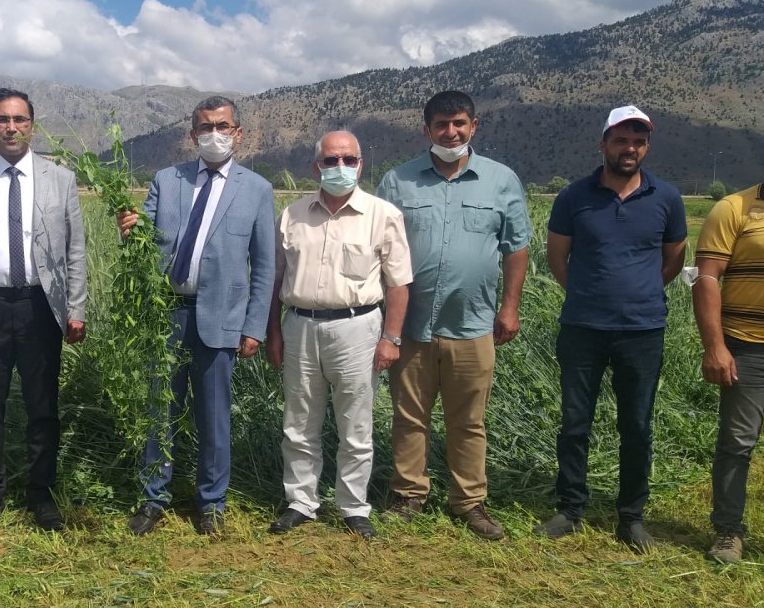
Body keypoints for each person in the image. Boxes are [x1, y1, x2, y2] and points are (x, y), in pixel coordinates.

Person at [117, 96, 275, 536]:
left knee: (214, 416)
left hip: (221, 319)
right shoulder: (168, 181)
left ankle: (211, 502)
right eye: (205, 127)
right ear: (192, 135)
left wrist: (254, 327)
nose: (214, 135)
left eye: (222, 126)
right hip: (167, 316)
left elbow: (264, 266)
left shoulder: (257, 190)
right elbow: (141, 245)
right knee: (160, 412)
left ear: (237, 132)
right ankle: (153, 498)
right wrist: (129, 231)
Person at [376, 90, 530, 540]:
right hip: (411, 326)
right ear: (426, 130)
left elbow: (516, 247)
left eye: (459, 123)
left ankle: (469, 501)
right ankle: (408, 494)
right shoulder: (398, 182)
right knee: (409, 415)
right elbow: (380, 250)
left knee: (469, 419)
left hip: (473, 324)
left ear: (474, 126)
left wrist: (510, 307)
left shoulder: (500, 181)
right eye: (441, 125)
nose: (451, 132)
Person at [538, 106, 686, 551]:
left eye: (638, 141)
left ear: (646, 147)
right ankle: (571, 508)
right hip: (583, 326)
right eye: (621, 140)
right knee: (575, 420)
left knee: (637, 424)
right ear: (603, 144)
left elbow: (673, 259)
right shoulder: (573, 197)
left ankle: (631, 515)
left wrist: (638, 292)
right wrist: (588, 293)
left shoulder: (667, 198)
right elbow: (557, 258)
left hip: (642, 330)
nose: (630, 148)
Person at [0, 88, 87, 536]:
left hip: (40, 305)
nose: (11, 128)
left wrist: (76, 308)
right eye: (2, 120)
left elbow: (75, 250)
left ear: (32, 125)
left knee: (43, 405)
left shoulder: (59, 179)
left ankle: (41, 493)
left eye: (20, 120)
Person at [264, 131, 412, 539]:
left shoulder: (383, 215)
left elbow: (399, 284)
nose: (339, 167)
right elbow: (275, 280)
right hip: (300, 325)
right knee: (299, 421)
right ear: (316, 167)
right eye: (331, 161)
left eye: (348, 159)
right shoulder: (292, 215)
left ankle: (352, 505)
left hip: (357, 327)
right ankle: (301, 500)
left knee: (356, 423)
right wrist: (273, 333)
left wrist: (391, 338)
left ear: (361, 164)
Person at [693, 180, 764, 564]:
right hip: (748, 345)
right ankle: (728, 531)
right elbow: (706, 278)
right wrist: (715, 346)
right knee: (738, 443)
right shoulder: (734, 208)